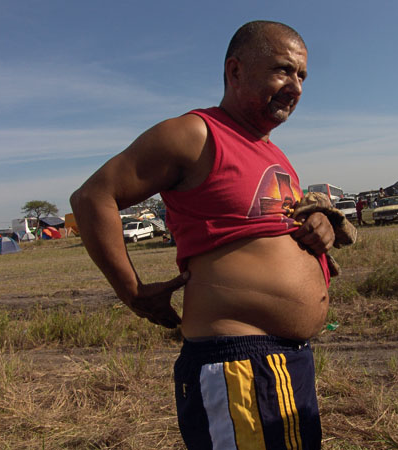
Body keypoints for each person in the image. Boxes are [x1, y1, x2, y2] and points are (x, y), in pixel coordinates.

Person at [70, 21, 335, 449]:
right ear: (236, 70)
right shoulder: (194, 134)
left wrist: (316, 230)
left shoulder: (273, 152)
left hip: (291, 361)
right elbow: (91, 197)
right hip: (238, 364)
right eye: (284, 70)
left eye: (302, 76)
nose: (296, 86)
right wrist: (133, 291)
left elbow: (267, 230)